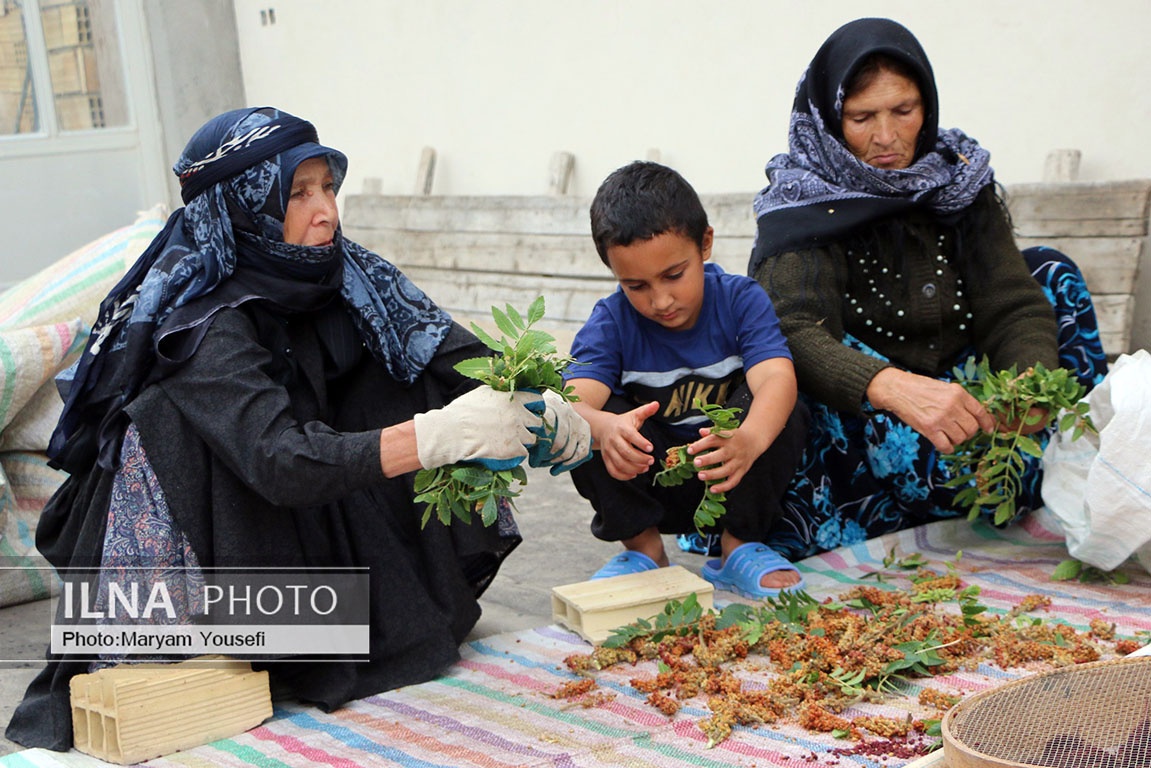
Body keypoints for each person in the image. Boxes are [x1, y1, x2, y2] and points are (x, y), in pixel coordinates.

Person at [6, 106, 590, 751]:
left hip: (291, 537)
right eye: (298, 194)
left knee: (413, 362)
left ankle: (339, 627)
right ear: (243, 206)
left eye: (328, 187)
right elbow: (280, 462)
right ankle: (206, 643)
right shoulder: (201, 321)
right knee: (168, 422)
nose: (327, 212)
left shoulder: (345, 274)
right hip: (211, 562)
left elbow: (458, 357)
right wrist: (438, 436)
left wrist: (556, 408)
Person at [748, 18, 1108, 560]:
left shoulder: (957, 177)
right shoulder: (805, 202)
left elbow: (1011, 302)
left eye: (904, 110)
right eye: (862, 117)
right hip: (867, 432)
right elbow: (791, 329)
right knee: (790, 368)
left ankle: (1060, 481)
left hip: (970, 413)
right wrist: (891, 387)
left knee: (1051, 271)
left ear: (927, 106)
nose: (886, 136)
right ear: (830, 117)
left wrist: (1027, 386)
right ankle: (889, 513)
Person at [564, 161, 809, 599]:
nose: (661, 301)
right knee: (584, 430)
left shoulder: (739, 300)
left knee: (781, 404)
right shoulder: (612, 322)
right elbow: (571, 402)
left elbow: (776, 375)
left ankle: (739, 546)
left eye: (674, 275)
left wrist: (750, 439)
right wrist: (605, 430)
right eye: (636, 286)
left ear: (705, 244)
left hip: (731, 470)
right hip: (650, 475)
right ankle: (645, 551)